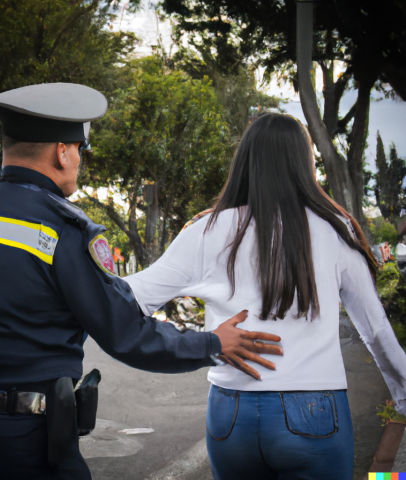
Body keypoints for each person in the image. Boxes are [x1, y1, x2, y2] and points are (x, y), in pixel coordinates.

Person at [0, 83, 283, 480]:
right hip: (26, 443)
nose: (79, 159)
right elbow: (128, 334)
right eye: (79, 149)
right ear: (62, 152)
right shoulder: (65, 233)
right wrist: (213, 343)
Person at [124, 112, 406, 480]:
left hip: (230, 414)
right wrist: (402, 396)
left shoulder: (205, 230)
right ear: (304, 164)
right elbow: (375, 330)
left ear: (246, 161)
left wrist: (203, 342)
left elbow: (128, 298)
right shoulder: (335, 231)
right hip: (315, 411)